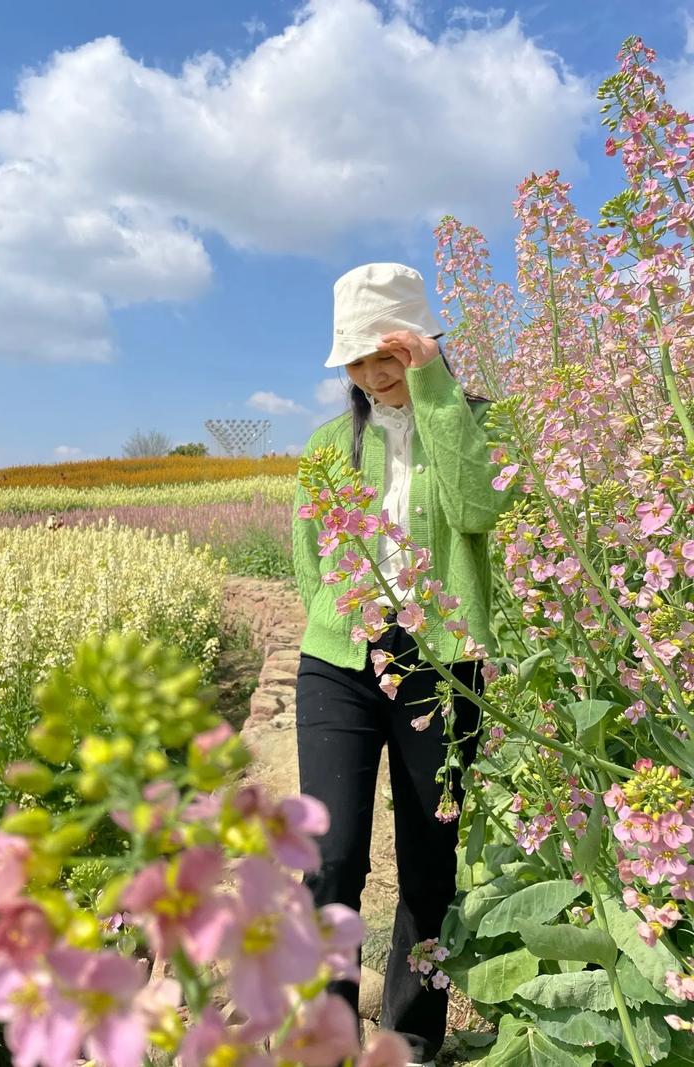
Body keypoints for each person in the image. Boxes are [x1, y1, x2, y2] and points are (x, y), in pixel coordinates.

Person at [291, 262, 521, 1065]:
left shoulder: (473, 422)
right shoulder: (326, 445)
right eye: (356, 359)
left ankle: (412, 1039)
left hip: (446, 662)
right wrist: (356, 620)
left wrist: (433, 392)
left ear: (423, 342)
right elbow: (310, 561)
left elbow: (479, 508)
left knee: (429, 856)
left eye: (386, 350)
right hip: (341, 659)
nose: (370, 372)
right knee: (329, 855)